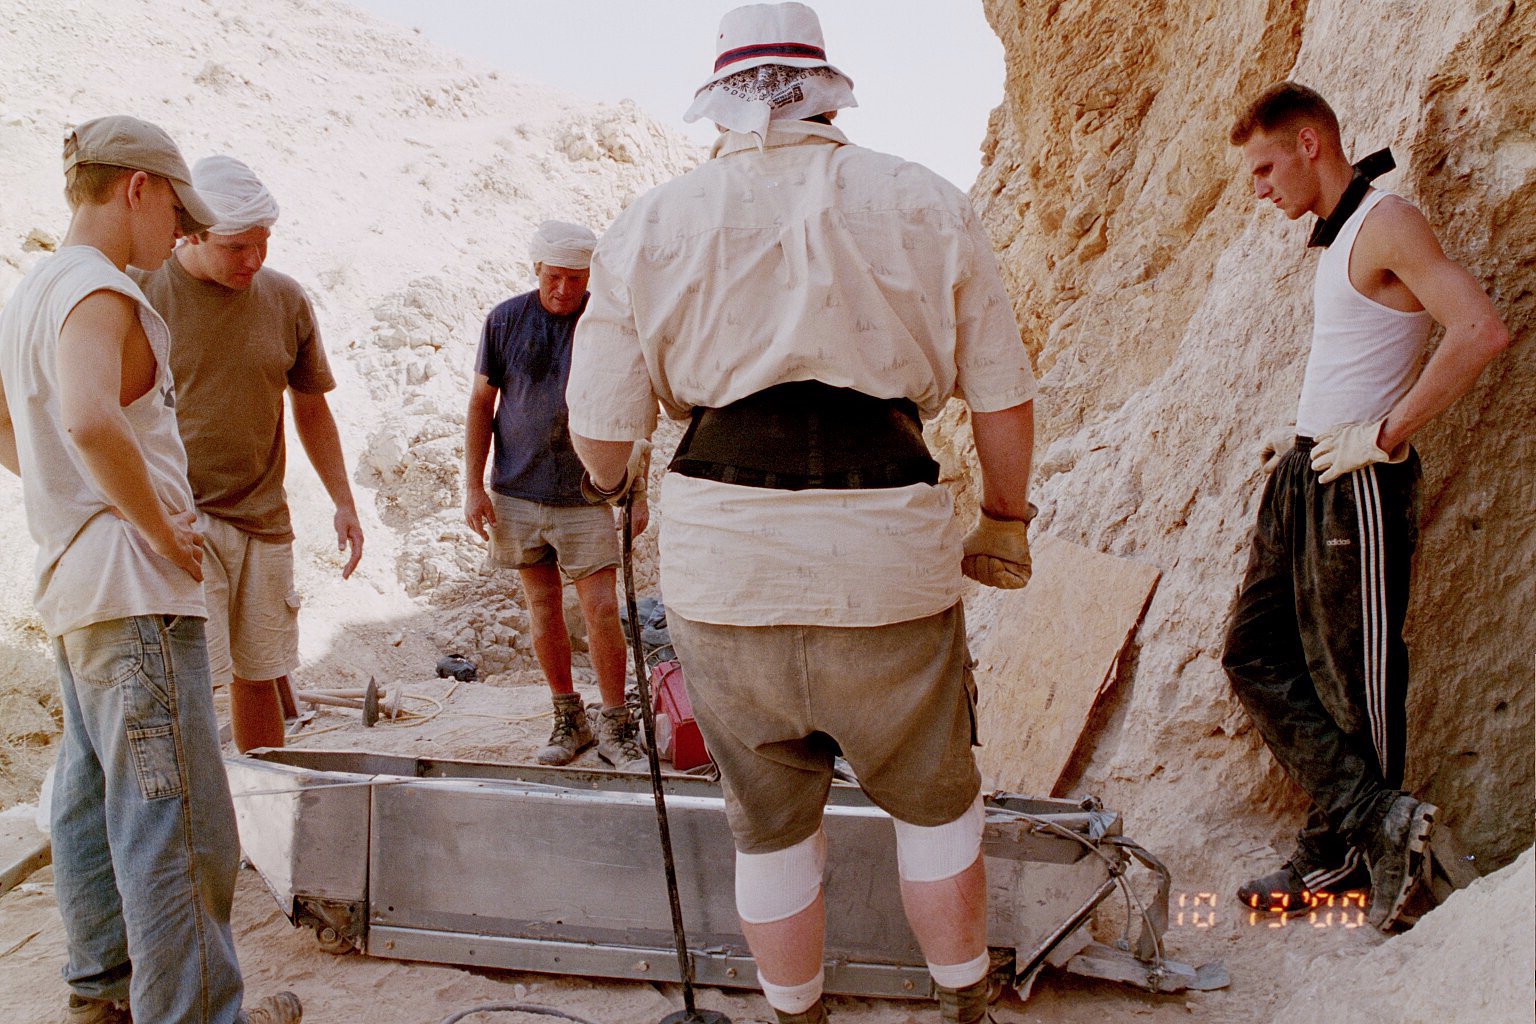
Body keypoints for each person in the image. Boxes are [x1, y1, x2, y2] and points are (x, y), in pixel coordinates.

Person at [566, 6, 1037, 1022]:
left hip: (726, 568)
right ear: (824, 90)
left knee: (771, 828)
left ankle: (796, 1012)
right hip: (887, 554)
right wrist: (1004, 518)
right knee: (936, 806)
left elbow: (601, 440)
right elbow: (1002, 395)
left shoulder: (651, 224)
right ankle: (964, 1003)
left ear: (721, 102)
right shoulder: (924, 200)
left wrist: (616, 488)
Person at [0, 116, 301, 1024]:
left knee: (93, 806)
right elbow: (91, 419)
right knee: (179, 826)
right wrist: (159, 527)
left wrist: (71, 496)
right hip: (133, 591)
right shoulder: (99, 286)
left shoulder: (35, 289)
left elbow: (20, 426)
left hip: (78, 587)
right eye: (177, 210)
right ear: (137, 188)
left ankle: (104, 993)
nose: (179, 233)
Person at [1223, 82, 1509, 931]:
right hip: (1309, 470)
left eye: (1265, 168)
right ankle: (1377, 822)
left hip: (1359, 483)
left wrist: (1384, 436)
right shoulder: (1340, 234)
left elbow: (1480, 330)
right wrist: (1306, 441)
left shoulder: (1388, 221)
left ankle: (1345, 858)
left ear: (1310, 144)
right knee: (1252, 653)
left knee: (1356, 684)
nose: (1258, 189)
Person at [131, 154, 364, 754]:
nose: (253, 260)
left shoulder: (285, 299)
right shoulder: (141, 291)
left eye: (262, 244)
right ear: (192, 232)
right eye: (236, 247)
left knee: (261, 675)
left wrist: (343, 500)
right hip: (181, 519)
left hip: (263, 520)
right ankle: (198, 809)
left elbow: (311, 407)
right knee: (191, 683)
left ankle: (266, 793)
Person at [464, 221, 650, 772]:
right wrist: (472, 487)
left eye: (576, 278)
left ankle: (616, 724)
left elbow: (636, 408)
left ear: (590, 276)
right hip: (518, 490)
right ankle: (569, 718)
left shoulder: (607, 324)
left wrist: (637, 493)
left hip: (589, 491)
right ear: (536, 270)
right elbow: (481, 405)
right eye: (554, 277)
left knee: (601, 610)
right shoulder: (504, 320)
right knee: (542, 608)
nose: (564, 289)